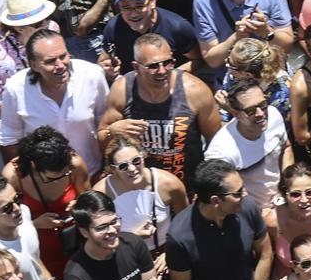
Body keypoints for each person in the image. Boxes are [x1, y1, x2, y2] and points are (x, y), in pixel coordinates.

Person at [166, 160, 273, 280]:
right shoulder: (179, 236)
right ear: (216, 200)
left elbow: (265, 254)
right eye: (238, 193)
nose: (245, 194)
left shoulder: (248, 208)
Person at [98, 33, 221, 184]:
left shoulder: (195, 91)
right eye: (153, 66)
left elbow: (217, 142)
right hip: (141, 185)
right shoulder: (122, 90)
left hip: (187, 185)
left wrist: (207, 183)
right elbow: (103, 140)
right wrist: (113, 132)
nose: (162, 71)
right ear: (136, 67)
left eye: (168, 63)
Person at [0, 29, 111, 177]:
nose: (61, 65)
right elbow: (9, 139)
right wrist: (25, 180)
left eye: (63, 56)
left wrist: (106, 166)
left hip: (92, 173)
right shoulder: (15, 89)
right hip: (45, 182)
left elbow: (105, 123)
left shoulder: (92, 75)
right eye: (50, 61)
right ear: (34, 65)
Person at [2, 125, 92, 280]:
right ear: (33, 166)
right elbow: (2, 226)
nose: (62, 178)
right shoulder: (13, 176)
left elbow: (90, 201)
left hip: (75, 247)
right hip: (37, 253)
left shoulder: (75, 164)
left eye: (65, 173)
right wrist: (33, 224)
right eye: (52, 177)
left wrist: (80, 205)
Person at [92, 135, 188, 256]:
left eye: (136, 161)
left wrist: (169, 252)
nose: (132, 169)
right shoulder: (102, 193)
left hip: (163, 253)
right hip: (121, 255)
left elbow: (185, 224)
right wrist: (134, 238)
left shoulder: (169, 184)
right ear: (112, 169)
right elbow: (97, 239)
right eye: (123, 166)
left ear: (143, 157)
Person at [207, 78, 295, 206]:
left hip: (282, 201)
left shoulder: (274, 115)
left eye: (263, 105)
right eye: (250, 111)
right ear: (235, 114)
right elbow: (224, 196)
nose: (260, 113)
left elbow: (286, 147)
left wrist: (288, 184)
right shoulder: (221, 151)